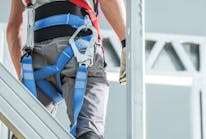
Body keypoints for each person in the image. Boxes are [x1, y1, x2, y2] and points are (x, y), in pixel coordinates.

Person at [6, 0, 126, 138]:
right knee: (88, 131)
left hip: (37, 58)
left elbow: (13, 30)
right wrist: (125, 43)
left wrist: (27, 79)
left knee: (25, 131)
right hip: (79, 51)